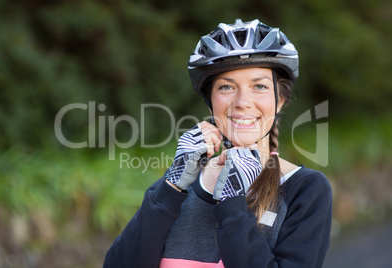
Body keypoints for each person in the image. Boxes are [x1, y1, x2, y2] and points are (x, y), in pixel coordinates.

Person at [103, 18, 332, 268]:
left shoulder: (305, 190)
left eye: (259, 86)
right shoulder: (181, 185)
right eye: (226, 87)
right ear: (211, 101)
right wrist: (170, 187)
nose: (242, 101)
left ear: (280, 100)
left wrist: (233, 205)